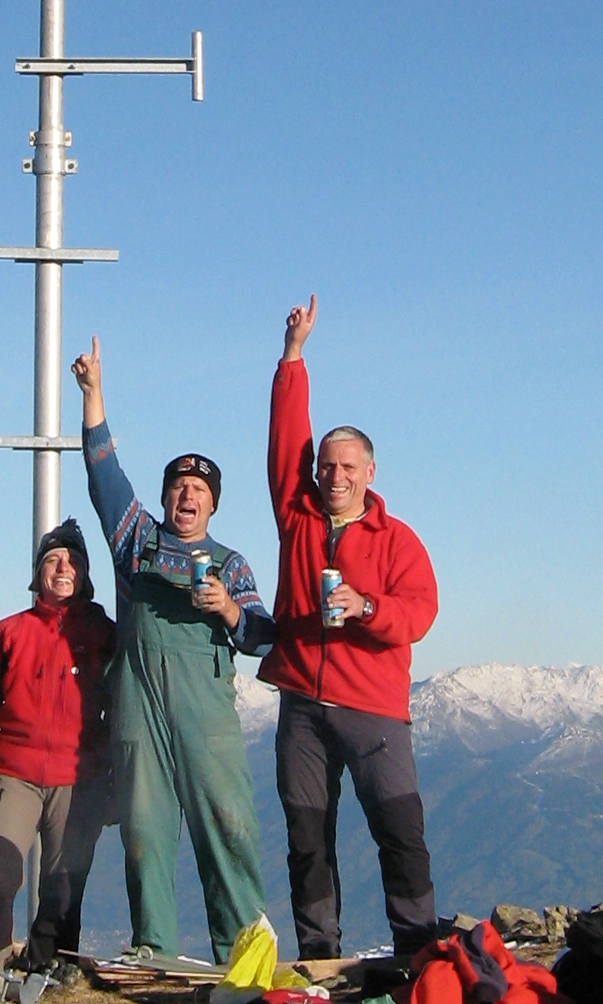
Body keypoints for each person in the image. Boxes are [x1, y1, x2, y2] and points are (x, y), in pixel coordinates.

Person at [73, 336, 277, 968]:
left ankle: (244, 954)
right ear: (165, 498)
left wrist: (228, 610)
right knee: (145, 830)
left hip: (206, 717)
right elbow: (105, 476)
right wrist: (93, 396)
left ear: (213, 503)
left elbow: (263, 635)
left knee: (228, 824)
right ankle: (154, 950)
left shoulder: (231, 563)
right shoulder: (135, 540)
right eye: (179, 487)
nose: (187, 497)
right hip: (138, 708)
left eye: (199, 490)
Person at [263, 294, 441, 961]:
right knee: (307, 837)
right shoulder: (297, 518)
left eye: (347, 468)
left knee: (400, 832)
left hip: (374, 708)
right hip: (302, 705)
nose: (334, 476)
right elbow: (285, 442)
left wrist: (367, 608)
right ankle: (320, 956)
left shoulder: (397, 540)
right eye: (326, 467)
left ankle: (417, 955)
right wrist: (293, 356)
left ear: (370, 472)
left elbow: (419, 614)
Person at [0, 518, 115, 993]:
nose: (63, 568)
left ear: (85, 574)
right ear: (37, 572)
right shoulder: (9, 633)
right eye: (53, 560)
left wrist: (113, 781)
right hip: (13, 772)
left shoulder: (105, 634)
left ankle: (52, 964)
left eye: (73, 561)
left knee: (65, 882)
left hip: (79, 776)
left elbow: (121, 708)